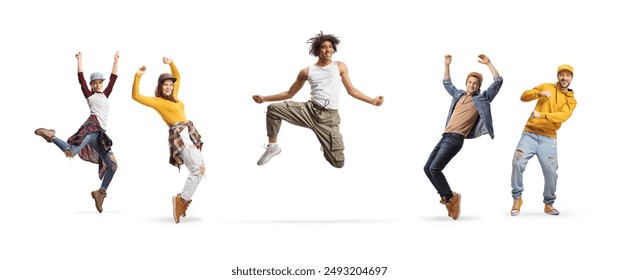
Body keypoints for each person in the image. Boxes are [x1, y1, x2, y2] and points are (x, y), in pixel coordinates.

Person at [252, 31, 384, 168]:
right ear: (317, 50)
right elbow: (290, 93)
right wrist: (264, 98)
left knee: (338, 163)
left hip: (328, 118)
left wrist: (372, 100)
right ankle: (273, 147)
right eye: (324, 47)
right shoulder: (307, 71)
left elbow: (351, 90)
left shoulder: (339, 66)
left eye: (330, 46)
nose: (328, 50)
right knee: (273, 109)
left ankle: (324, 142)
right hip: (309, 111)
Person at [34, 51, 119, 213]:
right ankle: (51, 136)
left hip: (100, 136)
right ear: (91, 85)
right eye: (93, 83)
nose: (97, 85)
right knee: (70, 153)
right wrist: (80, 60)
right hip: (91, 128)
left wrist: (115, 60)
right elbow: (81, 79)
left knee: (113, 166)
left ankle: (100, 194)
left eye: (99, 82)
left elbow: (113, 79)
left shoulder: (105, 95)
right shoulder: (90, 96)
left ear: (101, 83)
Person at [424, 54, 503, 220]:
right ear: (466, 83)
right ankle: (448, 198)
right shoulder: (458, 95)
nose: (472, 85)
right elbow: (447, 83)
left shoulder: (482, 98)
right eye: (470, 82)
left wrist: (489, 64)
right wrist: (446, 65)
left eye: (475, 83)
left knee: (435, 169)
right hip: (444, 136)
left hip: (455, 139)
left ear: (478, 86)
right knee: (427, 168)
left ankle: (451, 197)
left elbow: (498, 81)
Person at [132, 57, 205, 224]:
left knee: (200, 169)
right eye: (165, 85)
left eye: (170, 85)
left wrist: (171, 63)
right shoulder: (158, 102)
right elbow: (135, 96)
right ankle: (181, 200)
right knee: (197, 170)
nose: (169, 87)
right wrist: (138, 75)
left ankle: (182, 199)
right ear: (160, 87)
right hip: (180, 135)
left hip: (189, 132)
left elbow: (178, 76)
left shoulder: (175, 96)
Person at [510, 64, 576, 216]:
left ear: (571, 78)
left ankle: (548, 203)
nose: (564, 78)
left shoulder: (571, 101)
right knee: (517, 163)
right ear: (557, 76)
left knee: (551, 172)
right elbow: (523, 97)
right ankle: (517, 199)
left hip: (549, 138)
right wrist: (539, 93)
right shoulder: (546, 86)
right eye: (561, 74)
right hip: (529, 135)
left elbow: (563, 116)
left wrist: (543, 115)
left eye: (567, 75)